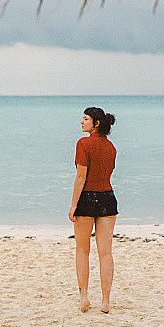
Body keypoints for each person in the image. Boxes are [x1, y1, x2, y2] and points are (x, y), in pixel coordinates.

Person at [69, 106, 117, 313]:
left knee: (82, 250)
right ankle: (105, 301)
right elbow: (107, 173)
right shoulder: (111, 147)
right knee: (105, 252)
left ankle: (84, 297)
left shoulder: (83, 143)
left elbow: (81, 177)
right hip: (108, 198)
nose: (82, 122)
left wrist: (73, 205)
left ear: (96, 123)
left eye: (86, 119)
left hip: (87, 199)